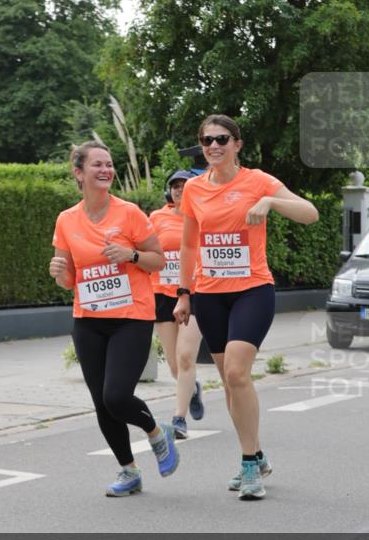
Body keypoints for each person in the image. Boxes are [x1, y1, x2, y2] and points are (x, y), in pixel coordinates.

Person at [174, 115, 319, 500]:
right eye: (206, 140)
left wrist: (271, 201)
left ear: (237, 144)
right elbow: (189, 245)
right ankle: (253, 453)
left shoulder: (258, 182)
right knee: (229, 381)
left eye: (221, 139)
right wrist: (184, 292)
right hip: (209, 294)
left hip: (252, 290)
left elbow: (310, 213)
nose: (213, 146)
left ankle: (250, 464)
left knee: (238, 373)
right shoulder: (192, 190)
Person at [50, 141, 179, 497]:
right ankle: (128, 471)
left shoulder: (129, 213)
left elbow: (159, 260)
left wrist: (131, 254)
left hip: (130, 317)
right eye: (97, 165)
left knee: (117, 396)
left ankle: (157, 432)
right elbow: (68, 280)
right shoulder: (66, 220)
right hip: (88, 320)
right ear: (79, 173)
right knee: (101, 402)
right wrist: (58, 270)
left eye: (109, 164)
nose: (106, 170)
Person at [150, 170, 206, 440]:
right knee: (174, 366)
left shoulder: (204, 217)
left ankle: (179, 419)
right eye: (175, 186)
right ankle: (192, 388)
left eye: (185, 186)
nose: (179, 190)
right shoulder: (156, 218)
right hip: (162, 294)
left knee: (186, 357)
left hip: (195, 293)